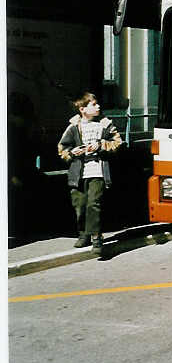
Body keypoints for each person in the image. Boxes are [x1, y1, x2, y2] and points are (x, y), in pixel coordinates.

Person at [57, 92, 123, 255]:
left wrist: (101, 144)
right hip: (78, 174)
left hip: (97, 171)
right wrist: (73, 152)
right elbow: (62, 149)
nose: (98, 106)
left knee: (94, 203)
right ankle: (83, 234)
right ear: (82, 109)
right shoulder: (73, 127)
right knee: (79, 205)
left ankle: (96, 238)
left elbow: (118, 143)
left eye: (97, 103)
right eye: (93, 104)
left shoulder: (105, 125)